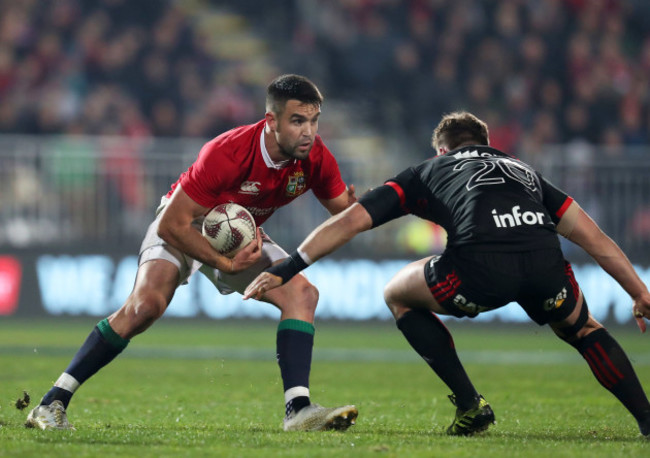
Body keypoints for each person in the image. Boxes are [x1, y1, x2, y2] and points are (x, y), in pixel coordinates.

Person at [244, 111, 650, 437]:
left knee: (397, 293)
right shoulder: (523, 171)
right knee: (583, 329)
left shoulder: (426, 171)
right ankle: (647, 419)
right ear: (487, 145)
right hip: (544, 261)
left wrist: (289, 266)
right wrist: (639, 292)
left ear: (441, 150)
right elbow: (595, 238)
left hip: (479, 269)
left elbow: (350, 222)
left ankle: (470, 403)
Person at [26, 74, 359, 432]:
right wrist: (225, 264)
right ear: (271, 121)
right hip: (187, 224)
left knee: (303, 294)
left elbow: (345, 211)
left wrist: (363, 205)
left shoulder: (315, 156)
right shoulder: (227, 152)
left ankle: (298, 409)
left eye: (313, 120)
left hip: (242, 236)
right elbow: (172, 224)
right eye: (297, 121)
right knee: (145, 307)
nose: (308, 132)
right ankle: (51, 402)